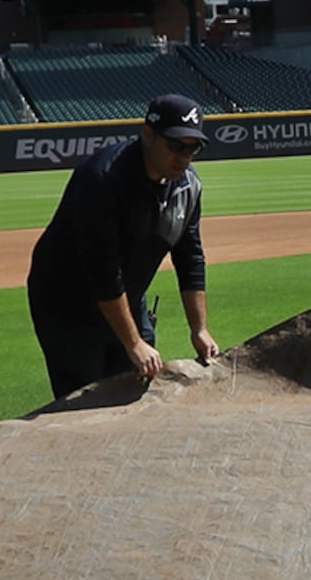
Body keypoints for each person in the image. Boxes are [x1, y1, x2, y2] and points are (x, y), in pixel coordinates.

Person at [26, 94, 224, 398]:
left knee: (136, 388)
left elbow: (190, 258)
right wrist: (133, 343)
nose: (184, 157)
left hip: (125, 296)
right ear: (148, 135)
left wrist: (199, 329)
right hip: (68, 305)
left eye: (193, 148)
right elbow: (103, 270)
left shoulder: (187, 186)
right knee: (84, 397)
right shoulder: (103, 178)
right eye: (175, 146)